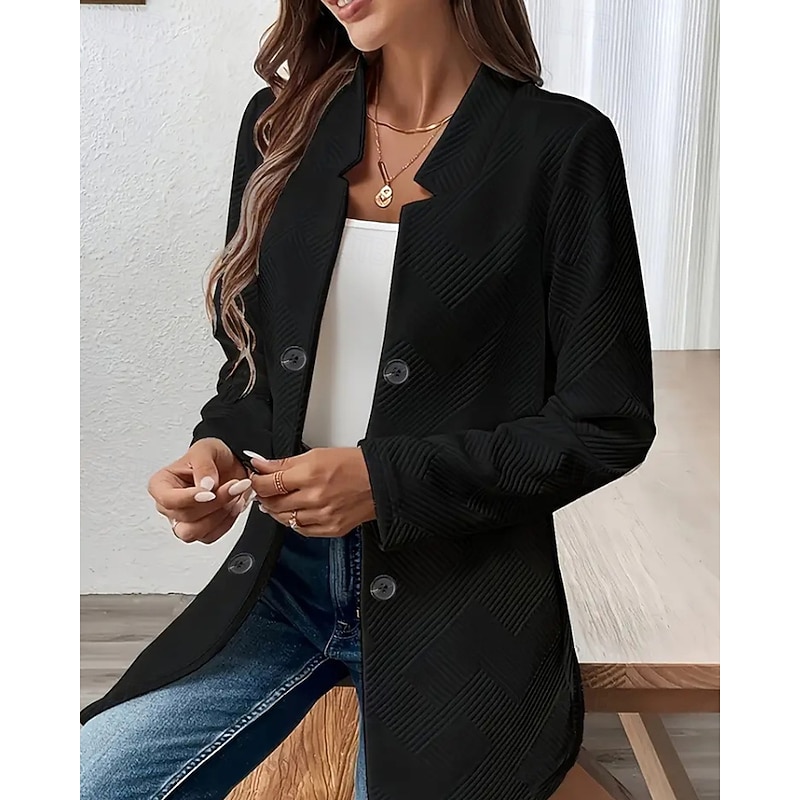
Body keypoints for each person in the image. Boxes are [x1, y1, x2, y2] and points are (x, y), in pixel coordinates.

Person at [80, 0, 657, 798]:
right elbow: (257, 369)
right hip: (282, 583)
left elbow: (605, 421)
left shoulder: (560, 146)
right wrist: (218, 449)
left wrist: (385, 482)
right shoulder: (280, 126)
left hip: (460, 597)